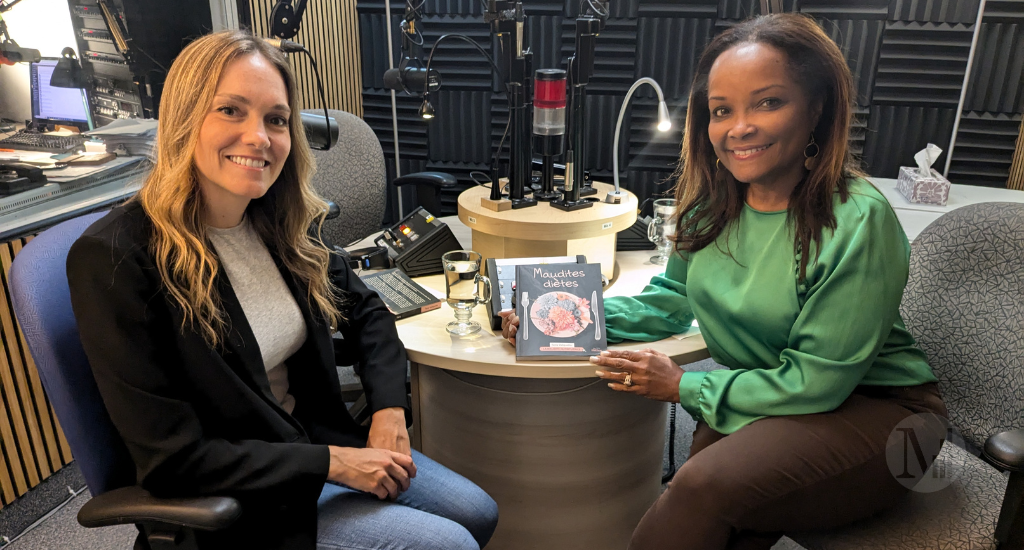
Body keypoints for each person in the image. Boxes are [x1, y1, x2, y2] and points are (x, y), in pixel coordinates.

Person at [501, 13, 947, 550]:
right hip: (769, 396)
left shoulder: (858, 219)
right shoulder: (712, 204)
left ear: (816, 109)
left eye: (768, 102)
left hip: (886, 418)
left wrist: (683, 385)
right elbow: (672, 299)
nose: (739, 127)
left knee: (702, 483)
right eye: (721, 110)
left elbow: (817, 381)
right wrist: (568, 317)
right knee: (710, 501)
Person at [67, 30, 497, 550]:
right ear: (184, 119)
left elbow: (367, 309)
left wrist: (388, 409)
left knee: (477, 511)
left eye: (275, 118)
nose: (259, 137)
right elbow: (173, 459)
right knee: (449, 545)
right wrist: (335, 463)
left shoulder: (275, 220)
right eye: (231, 110)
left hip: (315, 446)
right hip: (242, 500)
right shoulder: (117, 259)